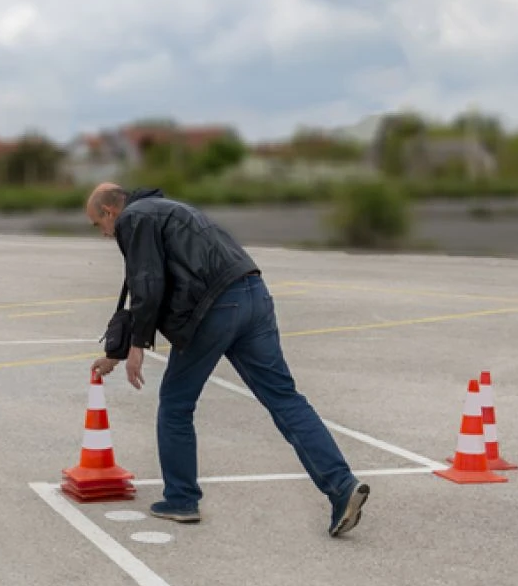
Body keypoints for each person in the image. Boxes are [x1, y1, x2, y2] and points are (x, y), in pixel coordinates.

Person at [86, 182, 369, 537]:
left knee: (176, 404)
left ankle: (181, 499)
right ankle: (342, 486)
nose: (103, 235)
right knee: (285, 399)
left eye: (99, 226)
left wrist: (137, 346)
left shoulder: (134, 219)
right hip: (254, 295)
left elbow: (148, 282)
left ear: (110, 212)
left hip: (214, 308)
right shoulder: (171, 208)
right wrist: (117, 350)